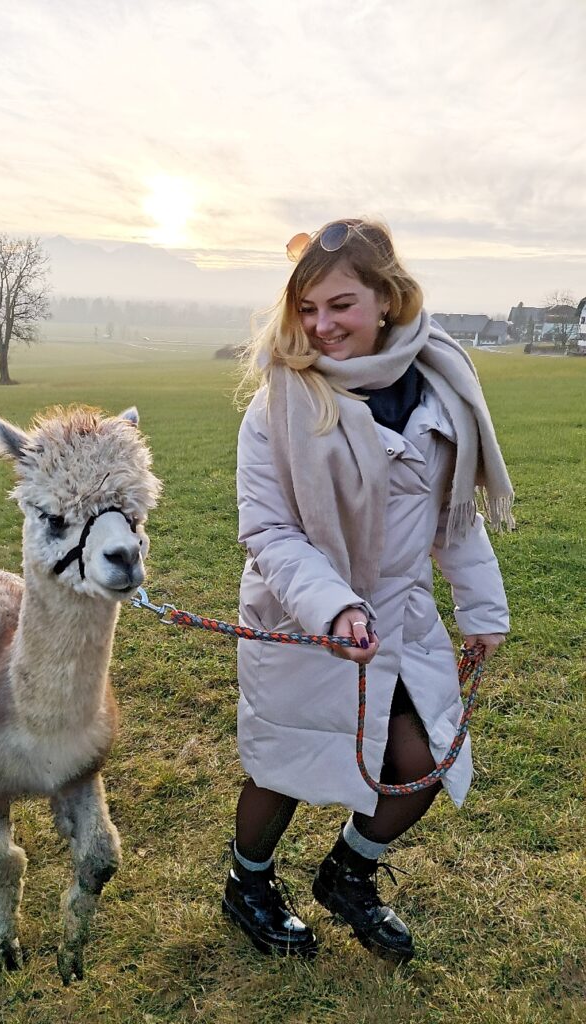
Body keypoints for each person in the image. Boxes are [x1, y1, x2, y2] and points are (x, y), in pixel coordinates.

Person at [222, 218, 513, 962]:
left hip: (401, 621)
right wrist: (335, 606)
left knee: (425, 764)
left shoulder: (442, 389)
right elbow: (271, 533)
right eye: (308, 309)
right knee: (286, 765)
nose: (320, 326)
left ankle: (349, 873)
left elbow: (454, 517)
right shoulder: (276, 408)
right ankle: (247, 883)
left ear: (386, 298)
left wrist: (480, 609)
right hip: (301, 617)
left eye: (340, 305)